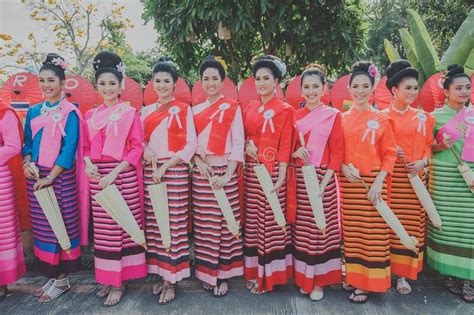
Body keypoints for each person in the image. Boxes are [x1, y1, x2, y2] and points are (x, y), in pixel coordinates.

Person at [82, 51, 147, 306]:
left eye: (112, 83)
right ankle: (107, 276)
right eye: (102, 84)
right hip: (97, 177)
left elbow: (136, 148)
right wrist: (88, 165)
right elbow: (86, 149)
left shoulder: (130, 113)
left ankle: (120, 281)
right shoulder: (90, 115)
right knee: (104, 232)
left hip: (121, 176)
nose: (107, 88)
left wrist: (114, 173)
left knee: (121, 229)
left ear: (121, 85)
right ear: (97, 86)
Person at [22, 53, 82, 302]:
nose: (46, 85)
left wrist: (52, 176)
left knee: (62, 225)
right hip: (36, 177)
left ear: (62, 82)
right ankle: (53, 277)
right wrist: (26, 163)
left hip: (60, 178)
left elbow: (69, 148)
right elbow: (27, 143)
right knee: (44, 228)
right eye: (42, 80)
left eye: (51, 80)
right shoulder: (33, 111)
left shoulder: (70, 112)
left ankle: (62, 279)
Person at [340, 61, 397, 303]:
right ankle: (355, 278)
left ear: (372, 89)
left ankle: (370, 283)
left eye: (365, 86)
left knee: (374, 234)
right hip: (349, 183)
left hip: (374, 182)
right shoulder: (340, 118)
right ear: (349, 89)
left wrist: (378, 181)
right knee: (353, 235)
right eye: (356, 86)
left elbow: (391, 153)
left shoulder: (382, 118)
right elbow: (337, 151)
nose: (360, 91)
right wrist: (342, 167)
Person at [141, 57, 197, 304]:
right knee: (154, 227)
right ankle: (160, 274)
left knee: (172, 226)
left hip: (173, 171)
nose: (162, 85)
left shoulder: (184, 109)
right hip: (151, 170)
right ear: (152, 84)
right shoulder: (146, 111)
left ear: (175, 84)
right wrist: (145, 150)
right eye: (158, 81)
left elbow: (191, 144)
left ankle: (171, 280)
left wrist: (168, 164)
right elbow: (139, 140)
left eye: (167, 81)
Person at [192, 55, 245, 297]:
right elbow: (190, 145)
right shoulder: (195, 110)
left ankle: (223, 274)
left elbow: (238, 143)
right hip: (203, 174)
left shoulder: (233, 107)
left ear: (223, 81)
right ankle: (206, 273)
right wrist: (198, 162)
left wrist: (228, 175)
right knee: (205, 225)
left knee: (225, 224)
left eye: (215, 78)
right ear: (200, 82)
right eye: (206, 79)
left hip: (226, 173)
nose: (211, 83)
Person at [291, 64, 344, 301]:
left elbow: (338, 152)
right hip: (302, 179)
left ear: (324, 89)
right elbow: (290, 149)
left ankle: (320, 282)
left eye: (315, 86)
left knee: (320, 232)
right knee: (303, 233)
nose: (311, 91)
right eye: (306, 87)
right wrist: (296, 152)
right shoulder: (295, 116)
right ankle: (304, 279)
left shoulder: (333, 115)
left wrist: (324, 184)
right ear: (301, 90)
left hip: (325, 178)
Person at [243, 55, 295, 294]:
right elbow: (245, 135)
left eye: (267, 78)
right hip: (253, 173)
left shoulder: (285, 110)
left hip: (273, 173)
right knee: (254, 222)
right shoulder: (251, 107)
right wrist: (247, 146)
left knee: (270, 224)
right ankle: (255, 272)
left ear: (276, 81)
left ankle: (269, 278)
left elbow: (286, 145)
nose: (261, 82)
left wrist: (282, 174)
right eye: (258, 78)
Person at [384, 60, 434, 295]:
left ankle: (404, 275)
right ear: (394, 90)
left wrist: (423, 161)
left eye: (415, 88)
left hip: (415, 182)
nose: (413, 93)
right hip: (391, 181)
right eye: (408, 88)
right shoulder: (382, 116)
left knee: (411, 225)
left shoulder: (424, 118)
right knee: (388, 225)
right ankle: (385, 271)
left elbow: (428, 147)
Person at [428, 64, 473, 303]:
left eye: (467, 87)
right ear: (446, 91)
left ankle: (469, 279)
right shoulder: (434, 118)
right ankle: (450, 274)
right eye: (459, 87)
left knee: (469, 231)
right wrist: (439, 146)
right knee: (447, 229)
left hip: (470, 181)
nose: (464, 91)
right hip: (444, 180)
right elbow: (426, 148)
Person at [0, 101, 27, 301]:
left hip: (0, 176)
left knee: (2, 232)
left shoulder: (4, 112)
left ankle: (2, 282)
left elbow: (13, 146)